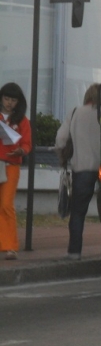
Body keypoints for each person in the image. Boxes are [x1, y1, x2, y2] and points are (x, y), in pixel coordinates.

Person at [55, 83, 101, 261]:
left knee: (78, 213)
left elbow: (61, 139)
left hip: (82, 168)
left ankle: (74, 251)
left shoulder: (75, 112)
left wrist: (62, 158)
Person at [0, 82, 32, 261]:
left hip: (11, 164)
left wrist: (22, 150)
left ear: (18, 102)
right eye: (6, 98)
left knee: (6, 204)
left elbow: (27, 143)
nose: (9, 103)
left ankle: (11, 246)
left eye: (13, 100)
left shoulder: (22, 121)